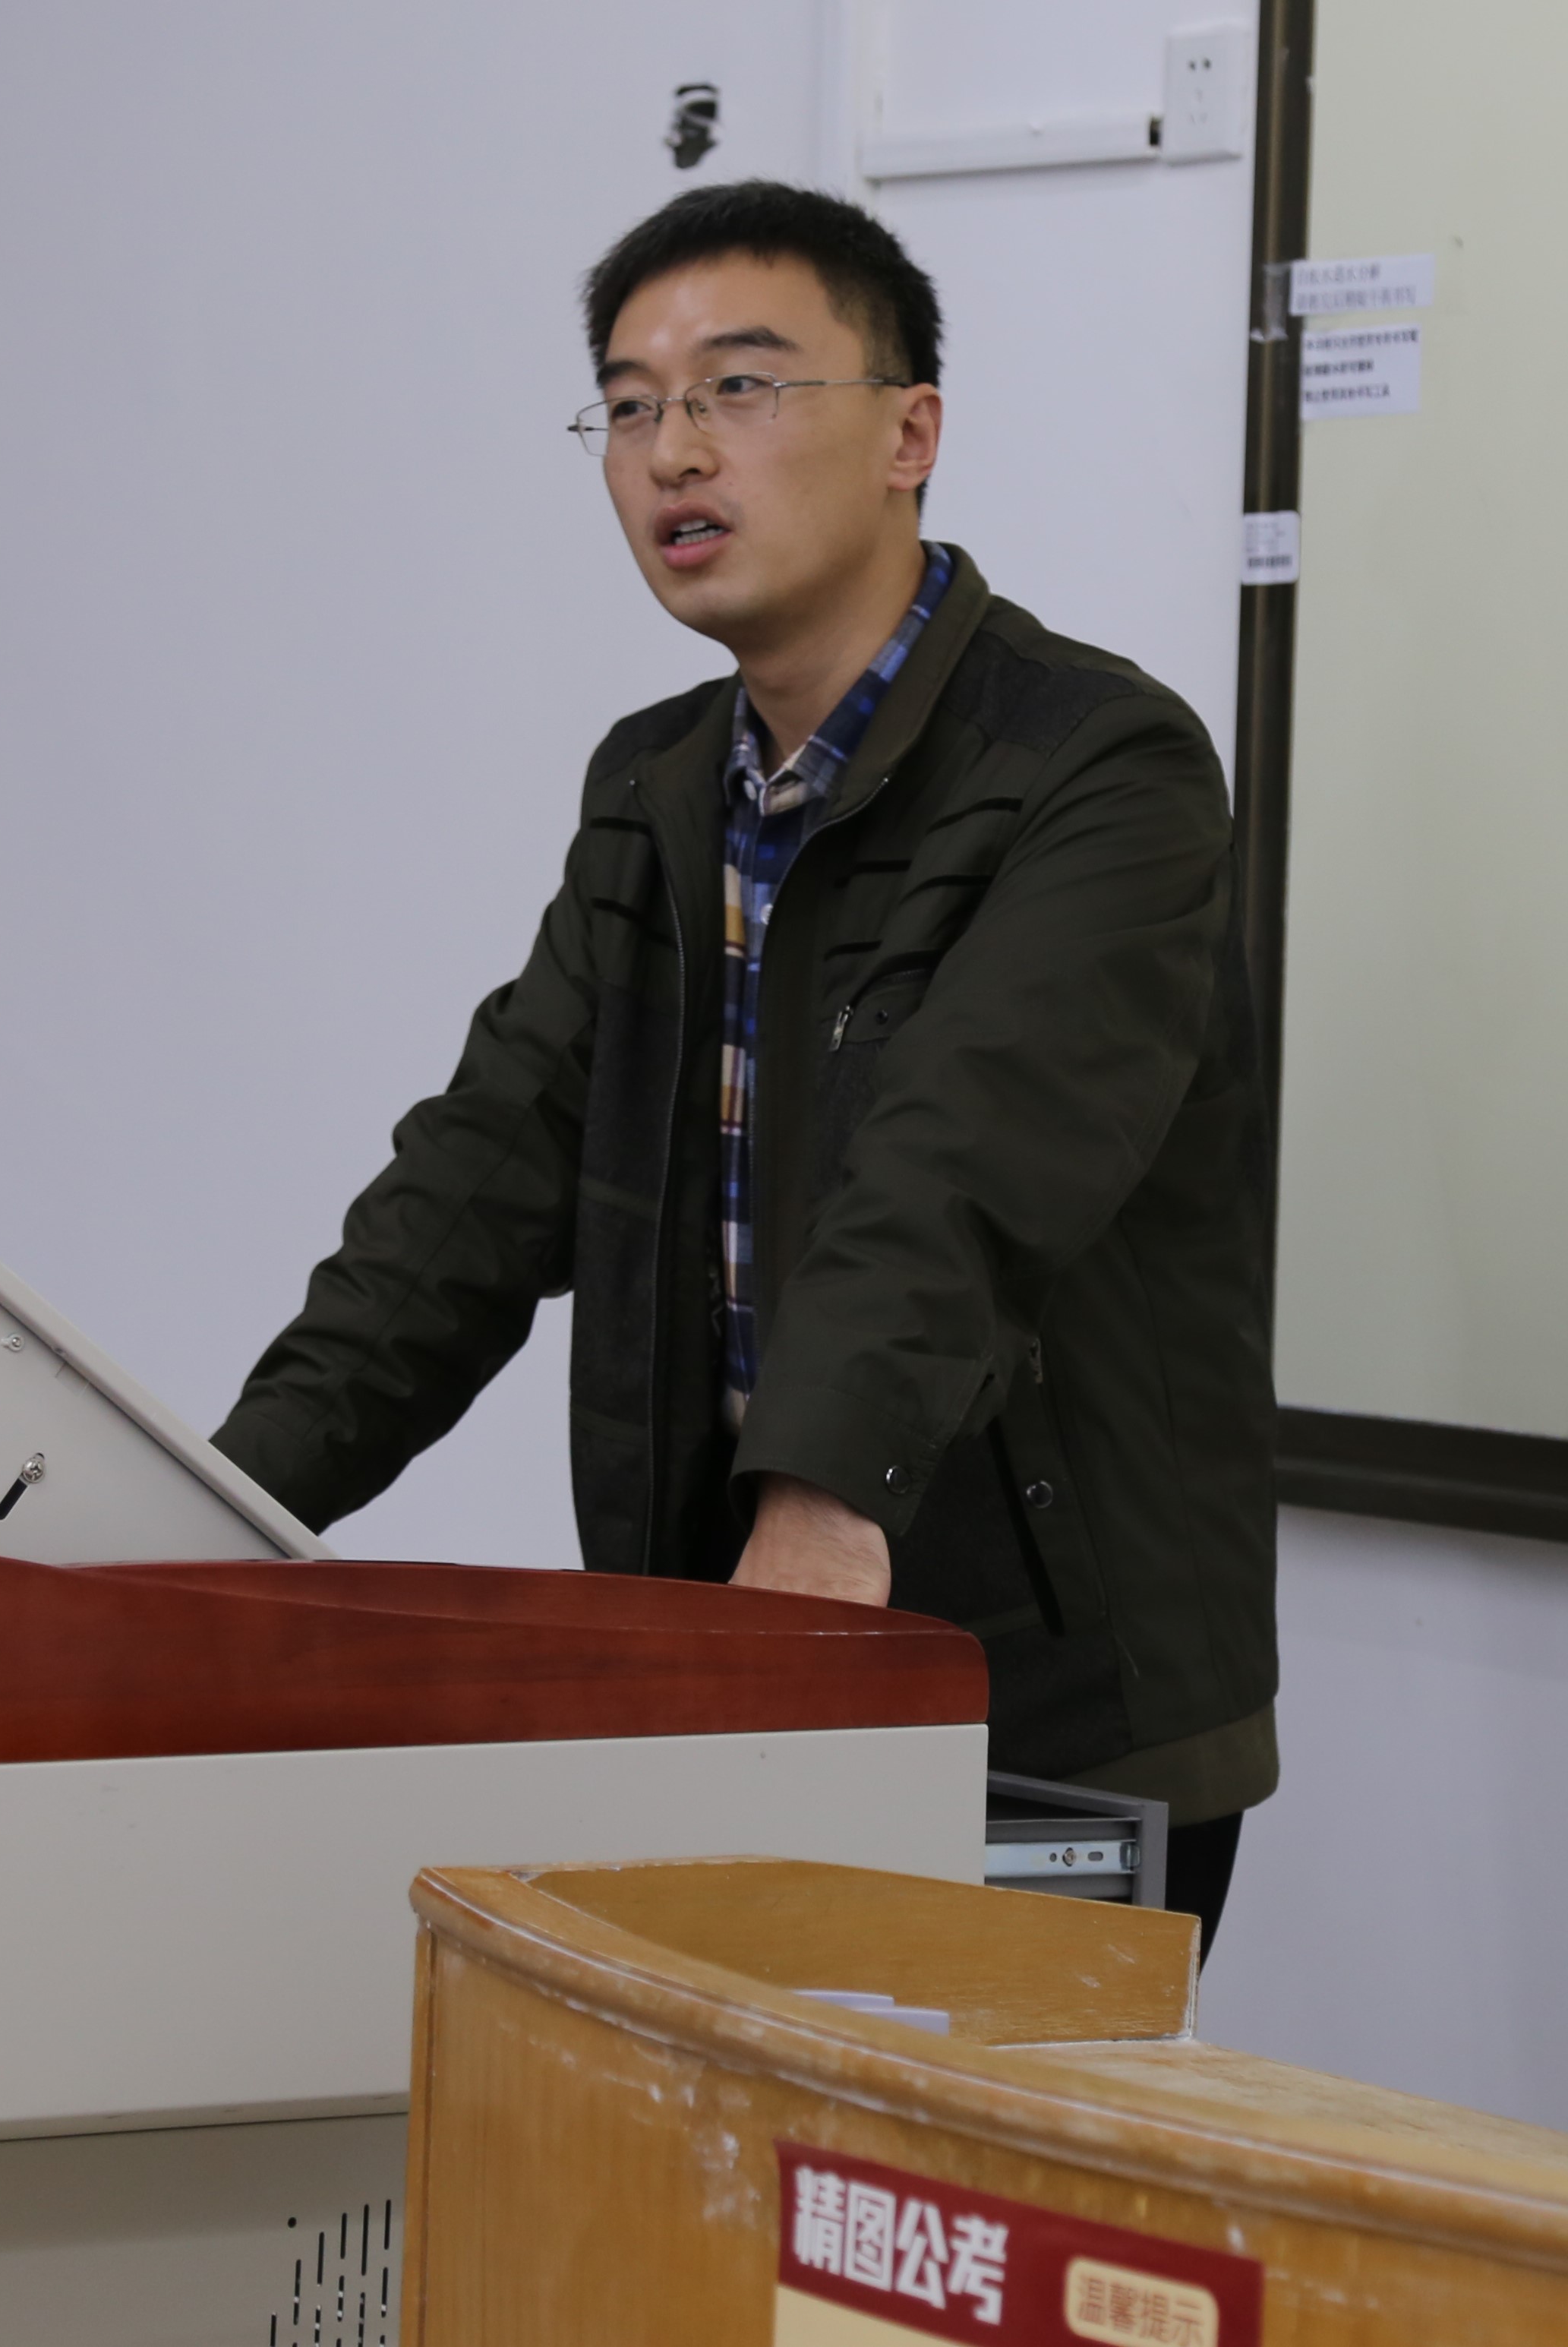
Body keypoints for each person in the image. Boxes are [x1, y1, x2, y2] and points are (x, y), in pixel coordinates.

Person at [210, 182, 1273, 1950]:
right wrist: (222, 1516)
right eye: (630, 407)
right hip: (739, 1665)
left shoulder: (1100, 768)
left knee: (950, 2142)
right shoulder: (659, 790)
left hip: (1041, 1709)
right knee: (704, 2134)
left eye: (742, 387)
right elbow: (480, 1179)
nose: (675, 451)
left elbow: (961, 1163)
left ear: (909, 434)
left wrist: (825, 1498)